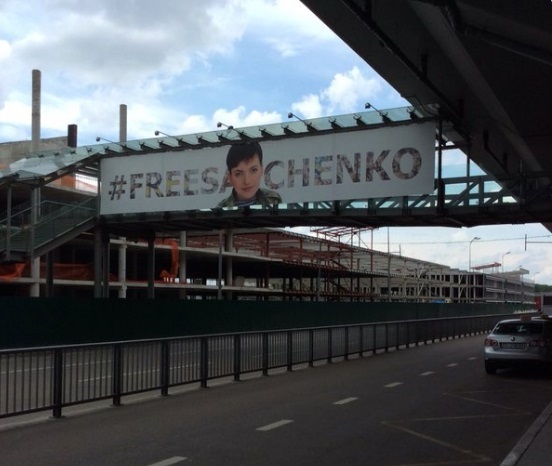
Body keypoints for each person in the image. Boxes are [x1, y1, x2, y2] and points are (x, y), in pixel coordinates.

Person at [217, 141, 282, 208]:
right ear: (230, 177)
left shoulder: (273, 200)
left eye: (253, 170)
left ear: (261, 169)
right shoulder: (221, 208)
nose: (247, 181)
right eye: (238, 174)